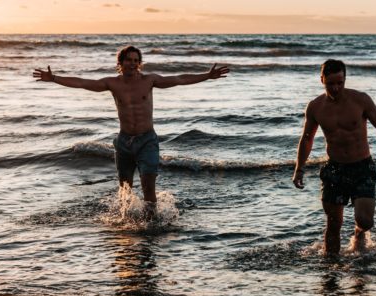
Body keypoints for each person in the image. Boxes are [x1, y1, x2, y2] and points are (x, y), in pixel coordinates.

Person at [33, 45, 229, 219]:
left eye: (136, 60)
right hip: (124, 142)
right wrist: (54, 78)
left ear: (140, 63)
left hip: (147, 141)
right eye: (129, 60)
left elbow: (178, 79)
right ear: (121, 62)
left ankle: (151, 223)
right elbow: (84, 83)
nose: (133, 64)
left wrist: (207, 76)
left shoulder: (149, 80)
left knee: (148, 185)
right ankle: (125, 221)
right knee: (125, 187)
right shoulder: (112, 83)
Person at [292, 59, 376, 256]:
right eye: (330, 83)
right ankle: (331, 270)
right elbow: (307, 138)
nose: (336, 88)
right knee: (334, 224)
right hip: (334, 169)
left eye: (340, 83)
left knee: (365, 220)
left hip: (362, 167)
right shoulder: (315, 107)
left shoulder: (360, 100)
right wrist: (299, 168)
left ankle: (359, 234)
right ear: (322, 80)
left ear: (345, 79)